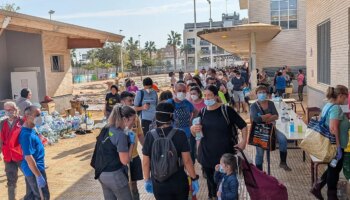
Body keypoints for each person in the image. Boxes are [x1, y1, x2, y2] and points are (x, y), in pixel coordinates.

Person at [190, 85, 248, 200]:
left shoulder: (226, 110)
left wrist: (243, 141)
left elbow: (244, 125)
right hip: (207, 155)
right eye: (205, 95)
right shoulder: (202, 112)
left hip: (225, 157)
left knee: (227, 185)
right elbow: (196, 135)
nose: (206, 98)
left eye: (209, 95)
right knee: (211, 184)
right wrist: (193, 129)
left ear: (216, 96)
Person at [142, 102, 199, 200]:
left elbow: (146, 162)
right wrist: (194, 178)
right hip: (178, 181)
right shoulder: (180, 134)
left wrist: (147, 180)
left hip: (158, 183)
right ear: (171, 115)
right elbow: (187, 161)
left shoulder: (149, 135)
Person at [310, 85, 349, 200]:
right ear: (340, 96)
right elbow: (333, 128)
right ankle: (331, 196)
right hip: (335, 145)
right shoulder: (335, 108)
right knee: (334, 171)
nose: (346, 100)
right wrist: (337, 148)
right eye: (346, 97)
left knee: (333, 168)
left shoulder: (328, 105)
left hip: (331, 144)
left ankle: (317, 187)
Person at [96, 105, 136, 200]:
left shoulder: (107, 127)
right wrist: (132, 144)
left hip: (102, 173)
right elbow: (125, 161)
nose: (134, 123)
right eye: (132, 120)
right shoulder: (120, 135)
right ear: (125, 119)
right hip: (114, 175)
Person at [249, 85, 291, 171]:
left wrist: (264, 117)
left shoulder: (270, 103)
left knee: (283, 139)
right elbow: (256, 119)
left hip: (272, 128)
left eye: (264, 92)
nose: (262, 94)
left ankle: (283, 162)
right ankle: (259, 171)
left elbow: (276, 116)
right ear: (256, 94)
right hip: (259, 131)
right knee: (260, 152)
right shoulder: (253, 106)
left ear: (267, 94)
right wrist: (268, 115)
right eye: (260, 92)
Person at [19, 106, 50, 199]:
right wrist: (39, 176)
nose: (40, 117)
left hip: (34, 169)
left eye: (40, 114)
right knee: (43, 196)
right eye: (37, 115)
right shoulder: (26, 135)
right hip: (34, 171)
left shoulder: (31, 129)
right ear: (28, 116)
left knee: (31, 196)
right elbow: (28, 158)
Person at [120, 92, 144, 200]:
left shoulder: (135, 118)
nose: (132, 103)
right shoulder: (117, 119)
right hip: (122, 158)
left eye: (132, 100)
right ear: (122, 102)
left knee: (133, 184)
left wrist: (147, 149)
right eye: (129, 100)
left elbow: (140, 135)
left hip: (134, 156)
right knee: (123, 185)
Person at [167, 83, 198, 162]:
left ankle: (189, 173)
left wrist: (191, 121)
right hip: (173, 135)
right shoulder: (169, 103)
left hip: (187, 135)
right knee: (175, 159)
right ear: (174, 91)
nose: (182, 93)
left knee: (189, 157)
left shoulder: (187, 103)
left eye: (184, 91)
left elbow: (195, 111)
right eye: (179, 90)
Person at [0, 102, 24, 200]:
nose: (8, 112)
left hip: (21, 155)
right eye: (6, 110)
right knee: (11, 181)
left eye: (10, 110)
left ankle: (32, 196)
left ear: (16, 109)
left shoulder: (22, 121)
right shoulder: (2, 123)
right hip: (8, 156)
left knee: (30, 176)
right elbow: (0, 139)